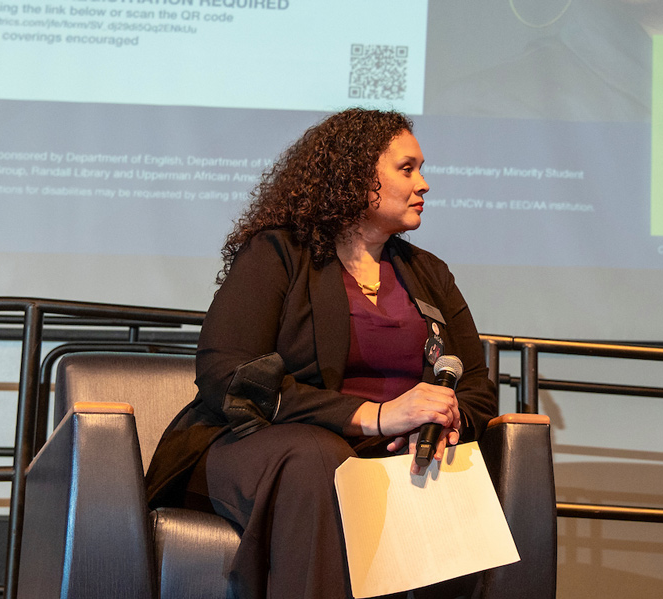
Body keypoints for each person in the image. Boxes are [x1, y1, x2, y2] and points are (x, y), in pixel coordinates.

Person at [141, 108, 499, 599]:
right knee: (320, 457)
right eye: (407, 169)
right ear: (356, 176)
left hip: (388, 456)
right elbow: (229, 374)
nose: (424, 184)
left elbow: (476, 387)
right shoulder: (278, 253)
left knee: (446, 468)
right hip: (261, 445)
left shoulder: (429, 272)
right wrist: (374, 417)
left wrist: (442, 422)